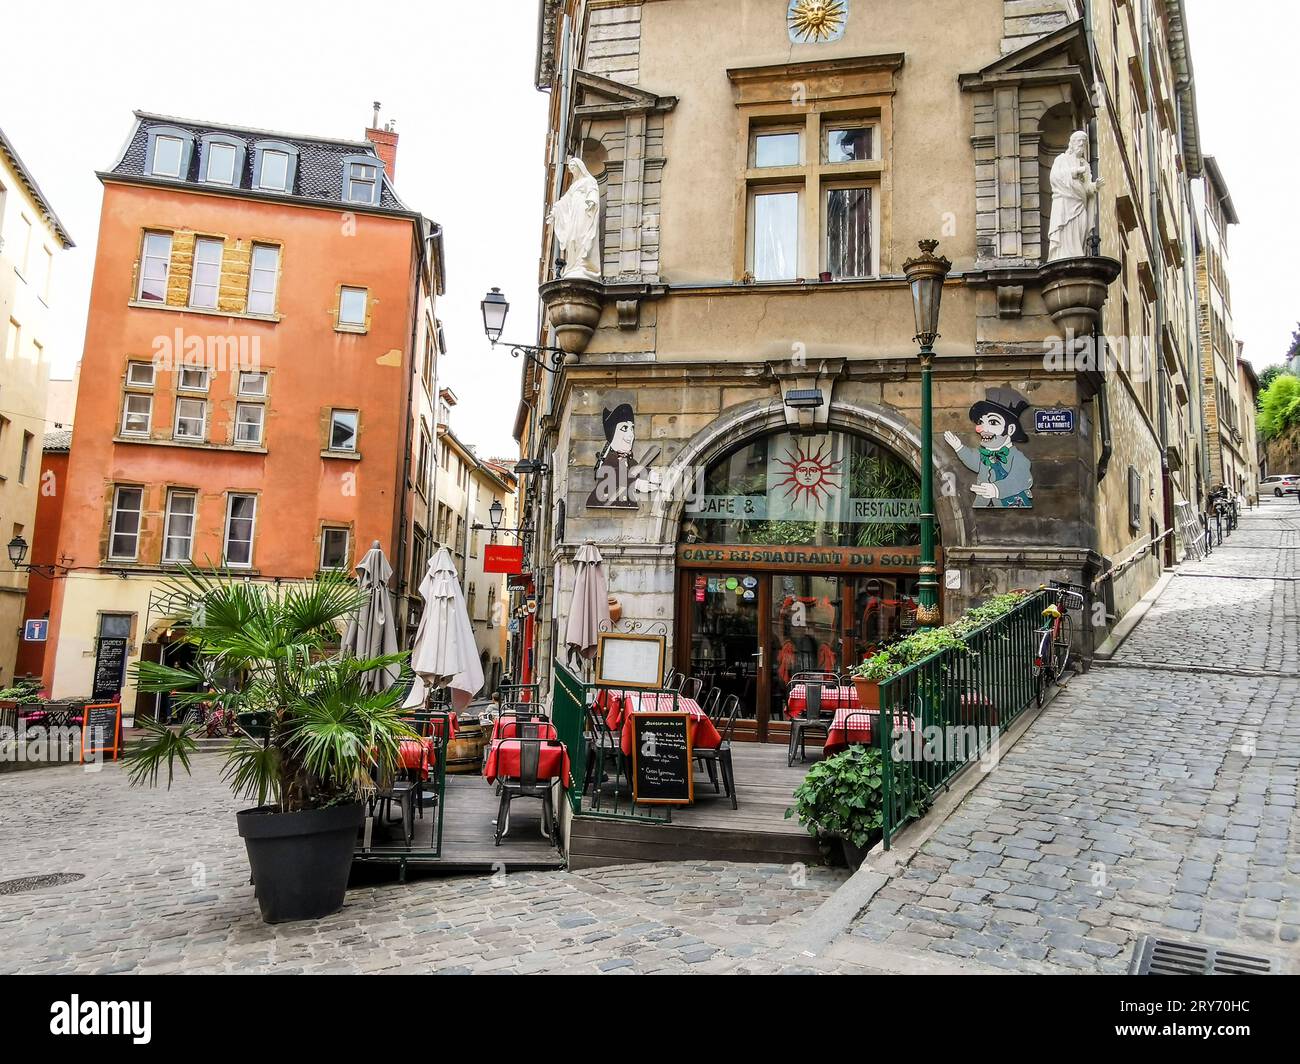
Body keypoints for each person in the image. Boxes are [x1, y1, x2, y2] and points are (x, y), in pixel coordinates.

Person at [945, 389, 1035, 508]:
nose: (982, 429)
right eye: (981, 422)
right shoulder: (984, 454)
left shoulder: (1017, 457)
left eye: (993, 422)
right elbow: (974, 460)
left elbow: (1024, 478)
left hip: (1012, 507)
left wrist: (996, 489)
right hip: (983, 507)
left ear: (1010, 429)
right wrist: (959, 447)